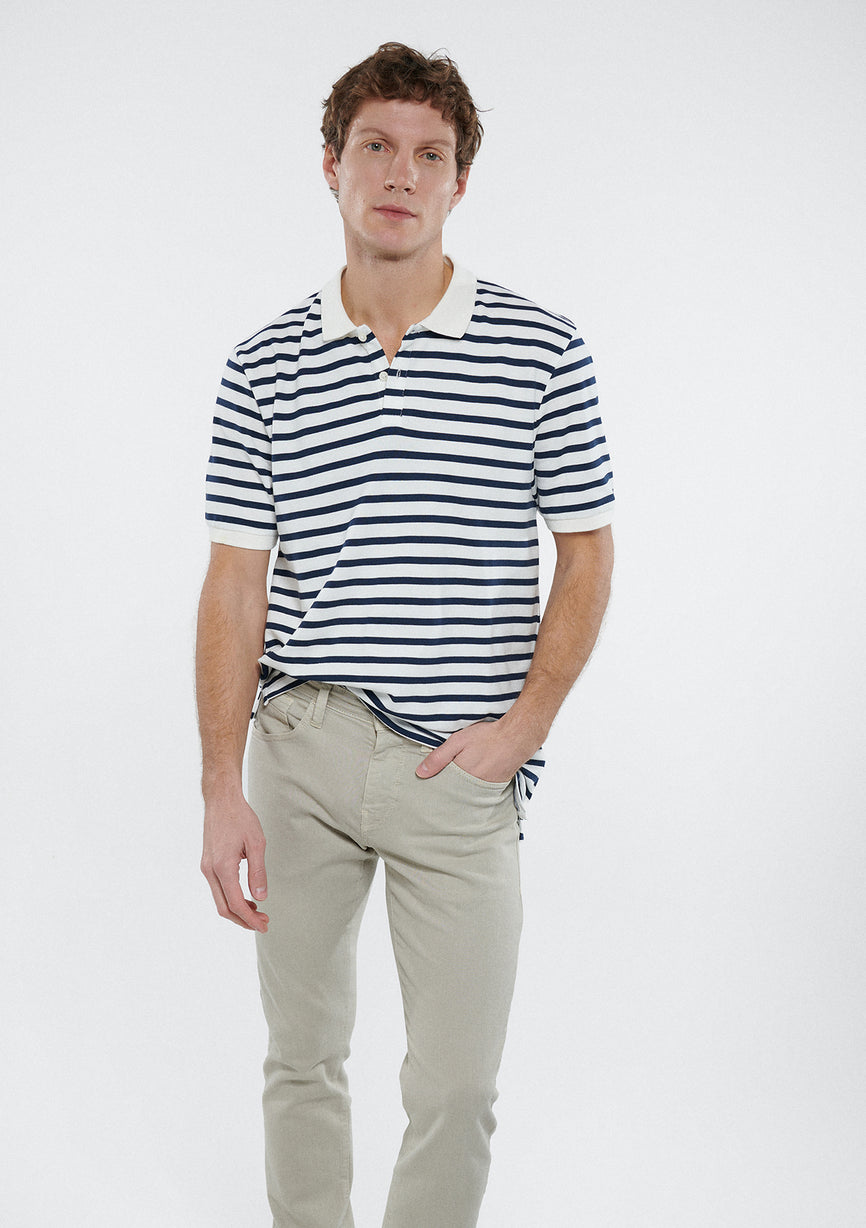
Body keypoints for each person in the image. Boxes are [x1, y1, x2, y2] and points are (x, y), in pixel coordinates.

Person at [196, 41, 614, 1228]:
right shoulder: (262, 365)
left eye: (430, 155)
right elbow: (233, 585)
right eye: (375, 145)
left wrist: (522, 728)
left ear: (457, 183)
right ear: (330, 164)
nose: (400, 173)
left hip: (456, 769)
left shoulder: (540, 350)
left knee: (456, 1085)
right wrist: (221, 786)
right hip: (303, 748)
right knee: (301, 1054)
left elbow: (586, 553)